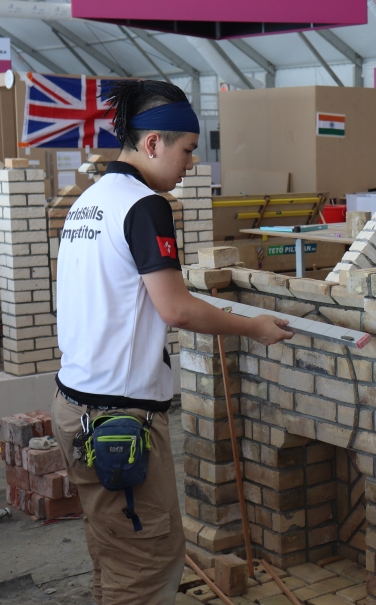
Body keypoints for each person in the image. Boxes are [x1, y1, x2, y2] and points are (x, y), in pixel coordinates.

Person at [50, 80, 293, 605]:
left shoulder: (89, 201)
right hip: (120, 421)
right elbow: (175, 307)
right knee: (148, 562)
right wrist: (254, 326)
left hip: (75, 405)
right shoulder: (144, 206)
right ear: (154, 143)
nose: (190, 165)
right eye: (186, 150)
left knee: (113, 552)